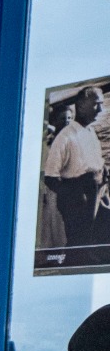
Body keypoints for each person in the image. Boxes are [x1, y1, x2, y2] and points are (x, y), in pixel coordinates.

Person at [43, 86, 105, 246]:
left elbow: (96, 161)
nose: (101, 109)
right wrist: (73, 196)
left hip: (95, 193)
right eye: (96, 104)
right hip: (77, 198)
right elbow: (50, 177)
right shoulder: (65, 137)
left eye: (102, 104)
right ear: (81, 105)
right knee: (77, 241)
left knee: (92, 238)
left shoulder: (90, 132)